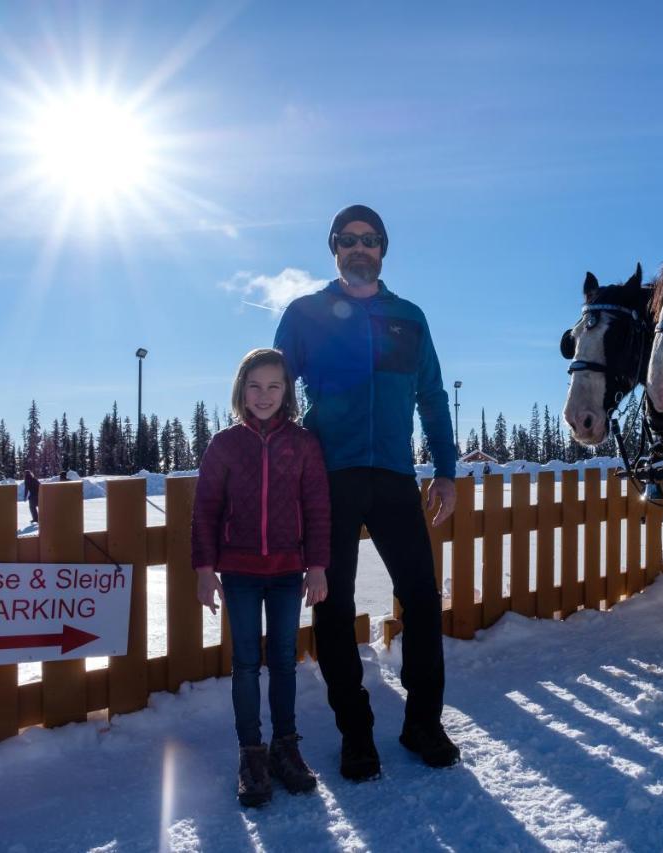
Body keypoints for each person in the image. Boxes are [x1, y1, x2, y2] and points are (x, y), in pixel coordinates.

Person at [274, 203, 460, 782]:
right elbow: (276, 394)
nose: (360, 248)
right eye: (348, 240)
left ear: (383, 249)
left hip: (395, 478)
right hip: (329, 478)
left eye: (370, 240)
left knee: (423, 601)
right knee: (333, 606)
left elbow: (431, 395)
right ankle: (356, 734)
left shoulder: (409, 317)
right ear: (334, 248)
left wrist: (447, 468)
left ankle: (423, 723)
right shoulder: (305, 314)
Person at [192, 348, 332, 807]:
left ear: (287, 390)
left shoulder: (304, 443)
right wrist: (204, 570)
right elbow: (206, 510)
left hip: (289, 572)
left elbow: (315, 507)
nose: (264, 395)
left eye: (274, 386)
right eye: (255, 386)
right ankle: (251, 753)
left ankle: (285, 747)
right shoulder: (225, 444)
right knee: (247, 663)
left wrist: (316, 565)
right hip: (240, 573)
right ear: (241, 389)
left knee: (285, 662)